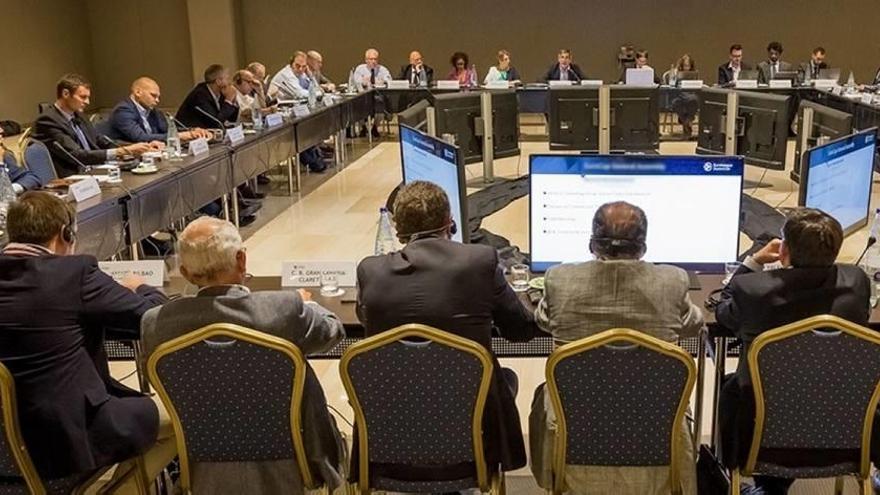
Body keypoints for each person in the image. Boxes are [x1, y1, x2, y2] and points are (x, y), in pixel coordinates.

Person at [141, 216, 346, 493]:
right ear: (241, 260)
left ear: (186, 273)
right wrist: (309, 306)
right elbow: (332, 333)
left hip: (204, 462)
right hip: (294, 459)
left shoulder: (156, 325)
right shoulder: (284, 309)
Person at [356, 181, 537, 480]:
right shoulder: (480, 262)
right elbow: (520, 332)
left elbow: (366, 320)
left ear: (398, 230)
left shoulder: (369, 270)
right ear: (450, 223)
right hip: (470, 431)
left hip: (392, 429)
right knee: (505, 379)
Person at [529, 201, 701, 494]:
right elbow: (693, 323)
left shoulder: (558, 278)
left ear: (591, 243)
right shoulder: (673, 280)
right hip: (654, 428)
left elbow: (544, 320)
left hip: (577, 430)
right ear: (643, 247)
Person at [0, 191, 173, 481]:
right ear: (64, 234)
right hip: (65, 438)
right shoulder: (73, 273)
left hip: (6, 444)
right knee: (180, 416)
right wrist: (142, 287)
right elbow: (155, 318)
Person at [715, 208, 871, 495]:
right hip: (845, 428)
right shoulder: (857, 282)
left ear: (784, 250)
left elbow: (723, 313)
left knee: (735, 387)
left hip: (760, 434)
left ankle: (764, 485)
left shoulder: (753, 290)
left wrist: (752, 262)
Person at [33, 73, 154, 177]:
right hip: (74, 176)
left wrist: (137, 148)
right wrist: (122, 151)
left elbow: (100, 140)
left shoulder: (79, 115)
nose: (87, 102)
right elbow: (76, 154)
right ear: (65, 94)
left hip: (95, 170)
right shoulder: (48, 120)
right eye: (83, 97)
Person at [108, 77, 210, 144]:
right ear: (138, 92)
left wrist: (192, 132)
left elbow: (169, 131)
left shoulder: (154, 112)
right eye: (153, 96)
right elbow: (140, 137)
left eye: (158, 97)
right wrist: (180, 136)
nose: (157, 100)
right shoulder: (123, 110)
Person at [175, 64, 239, 129]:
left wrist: (233, 100)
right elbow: (215, 122)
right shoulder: (200, 95)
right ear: (218, 81)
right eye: (227, 78)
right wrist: (228, 99)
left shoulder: (221, 93)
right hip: (188, 132)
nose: (229, 82)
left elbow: (232, 118)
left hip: (207, 132)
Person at [350, 48, 392, 138]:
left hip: (378, 97)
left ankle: (375, 127)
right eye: (371, 59)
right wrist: (363, 81)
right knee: (357, 105)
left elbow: (389, 80)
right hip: (363, 97)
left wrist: (383, 81)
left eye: (375, 59)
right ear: (366, 60)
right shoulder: (360, 69)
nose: (373, 61)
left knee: (381, 106)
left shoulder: (382, 69)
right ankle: (363, 127)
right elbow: (356, 81)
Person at [663, 54, 700, 136]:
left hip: (690, 95)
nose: (687, 68)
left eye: (688, 66)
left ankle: (684, 121)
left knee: (694, 100)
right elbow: (671, 85)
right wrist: (674, 76)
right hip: (678, 96)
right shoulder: (676, 72)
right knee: (676, 103)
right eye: (685, 66)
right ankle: (688, 122)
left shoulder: (693, 73)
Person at [1, 128, 42, 193]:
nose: (1, 130)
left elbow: (31, 178)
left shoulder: (3, 155)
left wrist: (14, 188)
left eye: (1, 134)